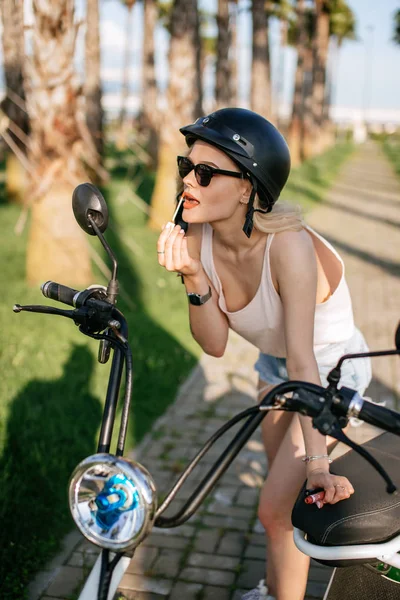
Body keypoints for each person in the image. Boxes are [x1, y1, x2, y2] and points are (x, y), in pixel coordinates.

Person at [156, 108, 372, 600]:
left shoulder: (288, 247)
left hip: (329, 371)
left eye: (206, 173)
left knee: (277, 507)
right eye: (186, 167)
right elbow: (213, 345)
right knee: (283, 508)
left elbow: (303, 359)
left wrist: (320, 463)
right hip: (274, 366)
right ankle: (277, 589)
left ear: (248, 188)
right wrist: (192, 277)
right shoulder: (198, 232)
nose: (189, 180)